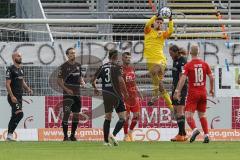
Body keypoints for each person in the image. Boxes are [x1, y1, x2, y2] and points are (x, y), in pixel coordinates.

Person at [174, 45, 214, 143]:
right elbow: (212, 77)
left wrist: (177, 91)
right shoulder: (205, 64)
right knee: (202, 115)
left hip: (193, 93)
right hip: (203, 93)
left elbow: (182, 79)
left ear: (190, 53)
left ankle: (195, 130)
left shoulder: (188, 65)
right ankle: (206, 135)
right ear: (199, 52)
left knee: (188, 115)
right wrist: (211, 89)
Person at [92, 50, 129, 146]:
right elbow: (121, 81)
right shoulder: (117, 67)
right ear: (116, 57)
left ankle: (105, 142)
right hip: (116, 94)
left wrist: (95, 89)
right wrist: (125, 93)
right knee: (122, 118)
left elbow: (93, 81)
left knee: (107, 118)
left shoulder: (102, 67)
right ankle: (113, 134)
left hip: (106, 95)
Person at [143, 12, 174, 112]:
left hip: (161, 60)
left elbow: (171, 31)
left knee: (153, 72)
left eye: (161, 23)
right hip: (150, 61)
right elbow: (147, 24)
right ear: (154, 23)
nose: (159, 24)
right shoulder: (148, 31)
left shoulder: (162, 34)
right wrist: (155, 15)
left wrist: (170, 20)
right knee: (161, 87)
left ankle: (155, 96)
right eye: (158, 22)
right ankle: (172, 108)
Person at [57, 47, 85, 141]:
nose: (73, 54)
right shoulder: (64, 66)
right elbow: (59, 81)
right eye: (71, 53)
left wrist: (83, 82)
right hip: (68, 96)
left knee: (76, 115)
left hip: (77, 95)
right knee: (66, 114)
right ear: (67, 55)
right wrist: (66, 89)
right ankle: (65, 136)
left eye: (74, 53)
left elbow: (80, 77)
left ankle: (72, 135)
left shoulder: (78, 65)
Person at [6, 51, 33, 141]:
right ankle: (10, 134)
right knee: (20, 114)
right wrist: (12, 96)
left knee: (15, 115)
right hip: (13, 97)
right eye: (18, 56)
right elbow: (7, 84)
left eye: (21, 56)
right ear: (14, 58)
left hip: (19, 97)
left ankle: (9, 136)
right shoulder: (10, 69)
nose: (20, 57)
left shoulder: (20, 69)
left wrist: (27, 88)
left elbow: (22, 81)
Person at [169, 45, 188, 142]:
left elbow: (182, 77)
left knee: (180, 111)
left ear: (176, 52)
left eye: (172, 54)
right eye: (170, 54)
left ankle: (181, 135)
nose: (171, 56)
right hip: (175, 88)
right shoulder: (175, 60)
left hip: (181, 88)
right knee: (176, 111)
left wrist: (178, 91)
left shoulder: (182, 61)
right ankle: (183, 133)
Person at [121, 52, 141, 142]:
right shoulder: (120, 69)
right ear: (122, 58)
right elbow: (118, 83)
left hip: (134, 95)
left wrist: (139, 92)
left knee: (137, 115)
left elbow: (134, 81)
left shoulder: (132, 68)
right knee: (126, 117)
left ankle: (130, 132)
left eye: (129, 57)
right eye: (126, 57)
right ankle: (125, 135)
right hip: (125, 96)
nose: (128, 59)